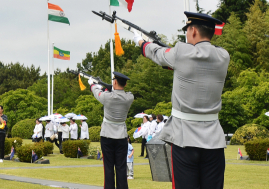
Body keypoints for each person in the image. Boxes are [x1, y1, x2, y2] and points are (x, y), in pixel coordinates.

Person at [135, 11, 230, 189]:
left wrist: (142, 42)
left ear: (193, 30)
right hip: (214, 140)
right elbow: (197, 67)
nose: (186, 34)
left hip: (184, 139)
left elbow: (156, 53)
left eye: (187, 29)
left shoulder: (181, 52)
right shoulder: (223, 56)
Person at [89, 71, 134, 189]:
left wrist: (93, 84)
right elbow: (117, 94)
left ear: (114, 82)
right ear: (125, 84)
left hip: (107, 136)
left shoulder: (107, 97)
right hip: (122, 137)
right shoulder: (129, 97)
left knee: (108, 168)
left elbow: (95, 91)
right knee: (121, 168)